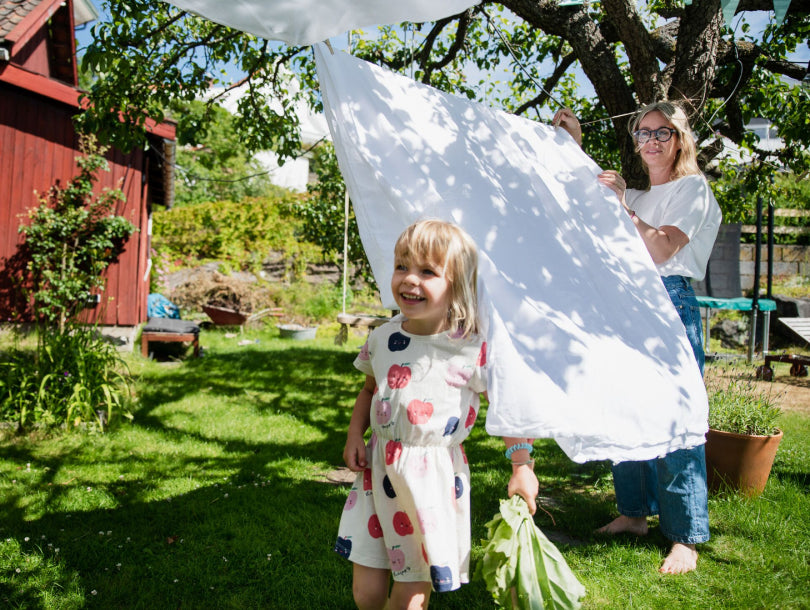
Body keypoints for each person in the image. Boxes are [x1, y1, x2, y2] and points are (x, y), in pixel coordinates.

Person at [334, 219, 539, 609]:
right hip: (378, 473)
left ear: (457, 283)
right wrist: (354, 434)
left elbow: (507, 406)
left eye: (427, 271)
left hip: (429, 482)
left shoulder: (471, 348)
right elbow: (369, 389)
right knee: (367, 593)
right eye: (402, 266)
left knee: (411, 591)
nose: (409, 280)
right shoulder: (383, 337)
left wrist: (522, 465)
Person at [554, 102, 721, 575]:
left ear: (680, 139)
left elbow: (662, 245)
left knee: (676, 415)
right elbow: (597, 210)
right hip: (629, 303)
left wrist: (623, 203)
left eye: (661, 133)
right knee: (627, 408)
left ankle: (685, 536)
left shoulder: (693, 189)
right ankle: (633, 513)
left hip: (670, 301)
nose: (649, 141)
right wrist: (575, 144)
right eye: (642, 133)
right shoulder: (641, 196)